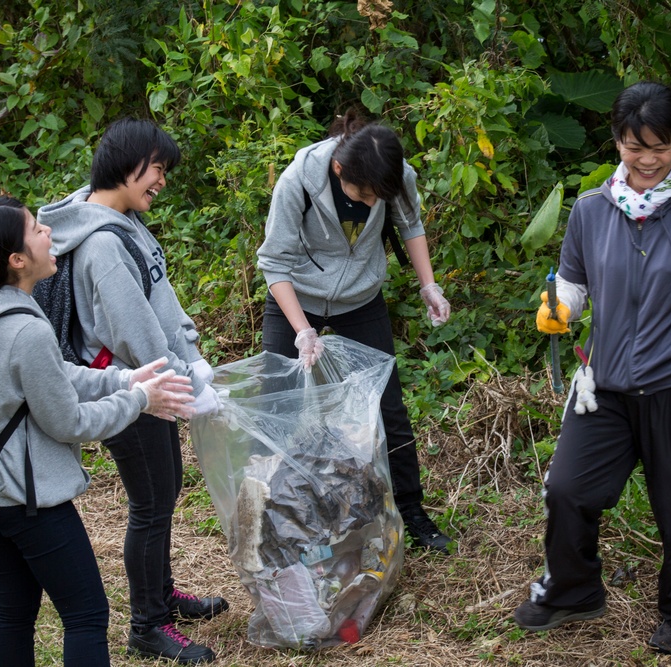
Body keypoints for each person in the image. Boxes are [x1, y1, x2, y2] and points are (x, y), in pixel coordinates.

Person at [513, 81, 671, 654]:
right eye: (634, 145)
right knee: (566, 488)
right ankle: (573, 590)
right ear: (616, 141)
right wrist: (558, 311)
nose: (647, 160)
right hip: (605, 386)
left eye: (660, 147)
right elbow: (571, 284)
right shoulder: (592, 210)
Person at [0, 197, 195, 666]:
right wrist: (141, 400)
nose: (49, 234)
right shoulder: (24, 330)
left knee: (15, 610)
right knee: (86, 615)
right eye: (37, 230)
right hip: (29, 499)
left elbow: (52, 375)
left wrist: (123, 379)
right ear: (17, 259)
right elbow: (70, 421)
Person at [37, 118, 223, 664]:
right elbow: (134, 330)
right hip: (135, 386)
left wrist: (190, 362)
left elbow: (158, 301)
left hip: (156, 379)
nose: (161, 181)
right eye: (157, 168)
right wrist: (185, 381)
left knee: (163, 496)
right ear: (126, 164)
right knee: (150, 504)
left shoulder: (110, 214)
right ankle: (148, 625)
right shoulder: (101, 243)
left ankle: (162, 595)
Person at [256, 110, 455, 554]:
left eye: (376, 197)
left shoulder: (395, 174)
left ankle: (411, 511)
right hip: (296, 296)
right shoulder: (298, 181)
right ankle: (278, 520)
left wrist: (429, 285)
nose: (369, 204)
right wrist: (303, 332)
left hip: (361, 299)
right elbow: (274, 263)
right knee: (279, 408)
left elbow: (411, 225)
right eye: (362, 194)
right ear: (339, 169)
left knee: (388, 407)